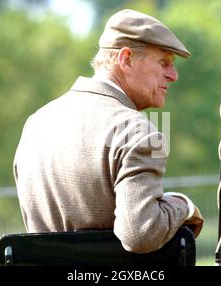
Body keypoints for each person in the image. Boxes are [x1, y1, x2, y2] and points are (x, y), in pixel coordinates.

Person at [13, 9, 204, 254]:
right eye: (163, 62)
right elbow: (141, 235)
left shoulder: (35, 124)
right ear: (125, 59)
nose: (173, 75)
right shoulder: (138, 131)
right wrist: (182, 206)